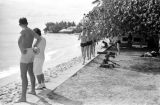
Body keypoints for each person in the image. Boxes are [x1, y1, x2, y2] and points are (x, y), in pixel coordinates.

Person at [17, 17, 41, 103]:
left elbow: (19, 41)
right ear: (27, 23)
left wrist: (21, 50)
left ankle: (23, 97)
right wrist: (34, 46)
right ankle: (33, 90)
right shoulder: (31, 30)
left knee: (23, 75)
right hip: (31, 52)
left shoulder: (23, 30)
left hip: (26, 52)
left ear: (20, 24)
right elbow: (39, 38)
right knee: (31, 73)